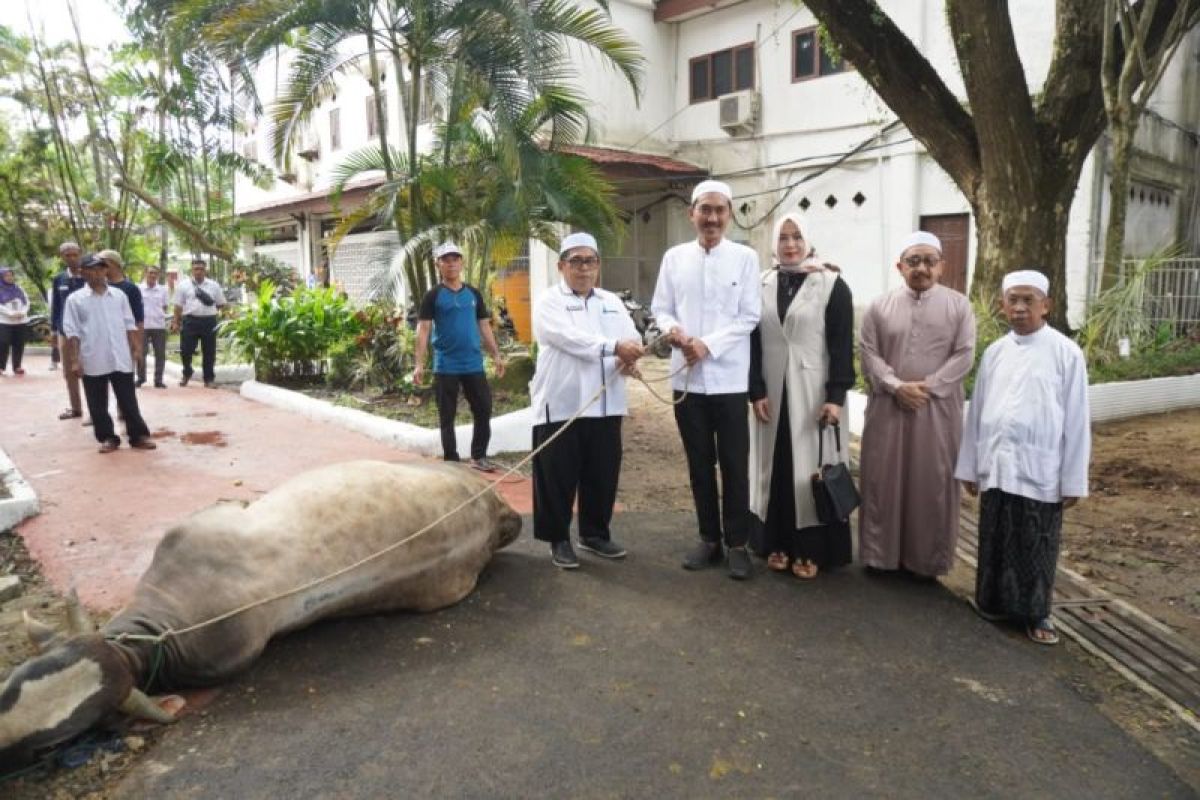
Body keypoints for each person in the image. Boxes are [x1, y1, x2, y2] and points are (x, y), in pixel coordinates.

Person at [956, 270, 1090, 646]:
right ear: (1002, 304)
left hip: (1041, 468)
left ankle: (1036, 614)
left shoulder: (1066, 353)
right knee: (995, 536)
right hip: (997, 465)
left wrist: (1073, 478)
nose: (1018, 307)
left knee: (1036, 543)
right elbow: (978, 410)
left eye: (1027, 300)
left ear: (1045, 305)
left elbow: (1078, 421)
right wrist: (969, 466)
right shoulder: (996, 353)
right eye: (1012, 299)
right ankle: (992, 602)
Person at [651, 179, 762, 580]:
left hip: (730, 382)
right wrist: (675, 332)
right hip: (686, 382)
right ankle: (708, 539)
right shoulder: (674, 257)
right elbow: (660, 308)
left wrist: (707, 345)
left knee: (735, 465)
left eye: (720, 210)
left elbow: (749, 317)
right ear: (691, 214)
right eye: (705, 210)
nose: (712, 218)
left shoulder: (746, 258)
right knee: (699, 464)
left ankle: (737, 544)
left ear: (729, 215)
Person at [858, 231, 976, 579]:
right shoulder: (878, 307)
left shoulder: (959, 306)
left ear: (942, 267)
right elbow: (868, 353)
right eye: (913, 261)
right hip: (888, 409)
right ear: (899, 266)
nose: (921, 268)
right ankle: (880, 556)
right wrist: (896, 387)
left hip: (936, 412)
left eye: (929, 261)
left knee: (931, 482)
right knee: (884, 479)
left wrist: (927, 387)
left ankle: (926, 561)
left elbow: (965, 354)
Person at [748, 212, 855, 579]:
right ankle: (775, 542)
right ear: (773, 244)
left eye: (797, 237)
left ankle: (811, 550)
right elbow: (752, 343)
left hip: (813, 394)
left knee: (810, 470)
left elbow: (842, 346)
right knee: (773, 468)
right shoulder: (760, 283)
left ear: (807, 240)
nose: (790, 245)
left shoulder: (831, 284)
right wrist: (756, 389)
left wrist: (835, 397)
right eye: (783, 238)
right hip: (772, 394)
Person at [529, 232, 644, 569]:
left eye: (590, 260)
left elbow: (631, 336)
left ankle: (594, 534)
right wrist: (613, 348)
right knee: (557, 476)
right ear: (562, 265)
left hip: (606, 404)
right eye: (576, 261)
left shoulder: (611, 301)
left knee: (602, 473)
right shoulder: (549, 301)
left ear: (598, 265)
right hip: (562, 404)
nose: (583, 268)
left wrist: (631, 354)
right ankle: (558, 539)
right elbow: (565, 338)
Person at [413, 242, 506, 472]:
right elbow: (423, 329)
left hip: (473, 363)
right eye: (446, 259)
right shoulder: (433, 296)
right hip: (446, 365)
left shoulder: (473, 294)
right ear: (439, 265)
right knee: (447, 415)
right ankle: (452, 461)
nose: (451, 263)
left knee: (483, 408)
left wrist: (496, 355)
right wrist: (419, 364)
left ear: (461, 263)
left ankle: (478, 456)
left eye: (455, 259)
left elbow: (484, 326)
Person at [62, 254, 156, 453]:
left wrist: (137, 348)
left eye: (101, 268)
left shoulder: (119, 296)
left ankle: (138, 435)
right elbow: (72, 332)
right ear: (82, 273)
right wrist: (74, 361)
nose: (97, 273)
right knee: (97, 403)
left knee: (128, 399)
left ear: (106, 270)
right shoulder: (75, 300)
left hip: (119, 356)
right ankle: (107, 437)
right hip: (92, 357)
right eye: (92, 269)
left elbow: (130, 323)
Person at [172, 258, 226, 388]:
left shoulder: (214, 285)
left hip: (209, 322)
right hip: (190, 320)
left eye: (201, 269)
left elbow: (221, 304)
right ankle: (187, 372)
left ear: (205, 270)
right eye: (196, 269)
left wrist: (214, 314)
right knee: (185, 350)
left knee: (209, 351)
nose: (199, 272)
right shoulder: (183, 285)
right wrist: (176, 322)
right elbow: (178, 306)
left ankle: (209, 379)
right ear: (192, 270)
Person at [50, 242, 87, 417]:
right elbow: (56, 307)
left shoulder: (88, 277)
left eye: (74, 254)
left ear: (80, 254)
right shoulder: (59, 279)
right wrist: (53, 330)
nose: (72, 258)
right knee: (69, 372)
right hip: (64, 331)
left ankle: (95, 412)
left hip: (86, 331)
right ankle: (76, 408)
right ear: (62, 257)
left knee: (89, 370)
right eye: (67, 255)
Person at [138, 266, 170, 388]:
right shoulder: (138, 289)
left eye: (155, 273)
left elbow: (165, 307)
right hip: (142, 325)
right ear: (145, 273)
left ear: (158, 275)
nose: (152, 275)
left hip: (159, 325)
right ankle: (141, 378)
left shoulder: (163, 290)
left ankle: (158, 380)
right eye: (150, 272)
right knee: (141, 353)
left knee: (160, 354)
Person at [0, 266, 30, 376]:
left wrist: (23, 312)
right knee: (3, 343)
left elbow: (26, 301)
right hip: (4, 321)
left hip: (20, 321)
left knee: (19, 344)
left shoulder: (18, 288)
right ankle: (1, 367)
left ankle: (17, 366)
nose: (9, 277)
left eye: (11, 275)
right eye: (6, 275)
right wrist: (11, 313)